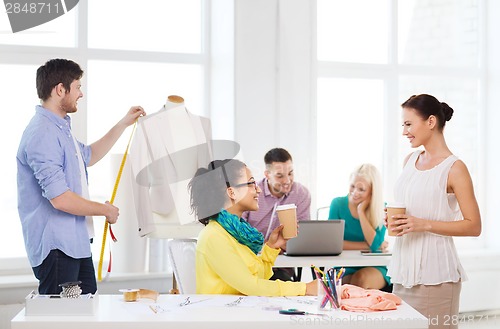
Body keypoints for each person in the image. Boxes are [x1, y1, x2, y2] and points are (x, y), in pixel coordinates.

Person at [16, 58, 146, 295]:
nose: (81, 94)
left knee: (86, 310)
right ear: (60, 89)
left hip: (75, 244)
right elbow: (60, 198)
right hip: (57, 248)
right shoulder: (42, 134)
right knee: (61, 318)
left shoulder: (60, 128)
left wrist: (123, 123)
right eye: (77, 87)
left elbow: (88, 155)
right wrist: (104, 210)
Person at [387, 94, 481, 329]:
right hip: (403, 273)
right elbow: (410, 208)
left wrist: (423, 224)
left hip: (436, 277)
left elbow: (473, 225)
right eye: (403, 125)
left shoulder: (455, 168)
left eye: (409, 124)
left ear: (430, 122)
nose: (404, 131)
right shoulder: (409, 160)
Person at [189, 159, 317, 296]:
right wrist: (305, 288)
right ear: (232, 192)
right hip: (221, 314)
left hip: (238, 310)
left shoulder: (238, 233)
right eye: (251, 184)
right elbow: (252, 286)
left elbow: (257, 276)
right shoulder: (213, 236)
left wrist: (271, 248)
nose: (259, 189)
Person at [242, 148, 311, 281]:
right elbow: (239, 232)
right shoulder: (251, 193)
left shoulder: (301, 194)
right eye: (280, 176)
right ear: (267, 174)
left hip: (280, 267)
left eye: (290, 173)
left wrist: (281, 245)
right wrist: (267, 246)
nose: (287, 180)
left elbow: (301, 237)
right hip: (250, 262)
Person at [328, 163, 390, 290]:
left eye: (361, 189)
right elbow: (333, 244)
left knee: (360, 280)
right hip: (343, 264)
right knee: (348, 288)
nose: (354, 192)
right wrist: (368, 246)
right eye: (352, 186)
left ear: (372, 191)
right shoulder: (337, 204)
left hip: (374, 266)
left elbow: (374, 244)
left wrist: (361, 211)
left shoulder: (381, 208)